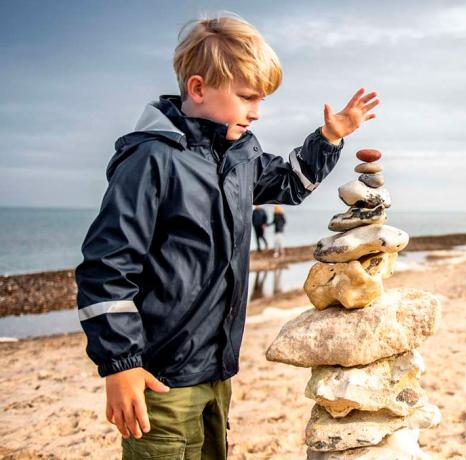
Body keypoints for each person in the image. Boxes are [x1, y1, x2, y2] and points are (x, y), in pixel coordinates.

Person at [74, 13, 379, 459]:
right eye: (246, 97)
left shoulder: (240, 156)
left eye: (261, 99)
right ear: (198, 89)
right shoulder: (151, 160)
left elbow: (291, 183)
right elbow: (106, 268)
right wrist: (120, 366)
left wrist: (330, 136)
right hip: (159, 377)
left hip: (216, 370)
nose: (256, 111)